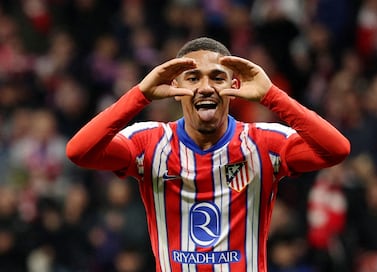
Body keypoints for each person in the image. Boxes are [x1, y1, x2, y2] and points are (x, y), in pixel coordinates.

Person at [66, 37, 350, 272]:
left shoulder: (263, 143)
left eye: (217, 77)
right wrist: (141, 94)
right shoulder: (149, 142)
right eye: (192, 78)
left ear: (234, 87)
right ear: (175, 89)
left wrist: (271, 95)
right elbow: (79, 152)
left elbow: (337, 149)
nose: (205, 87)